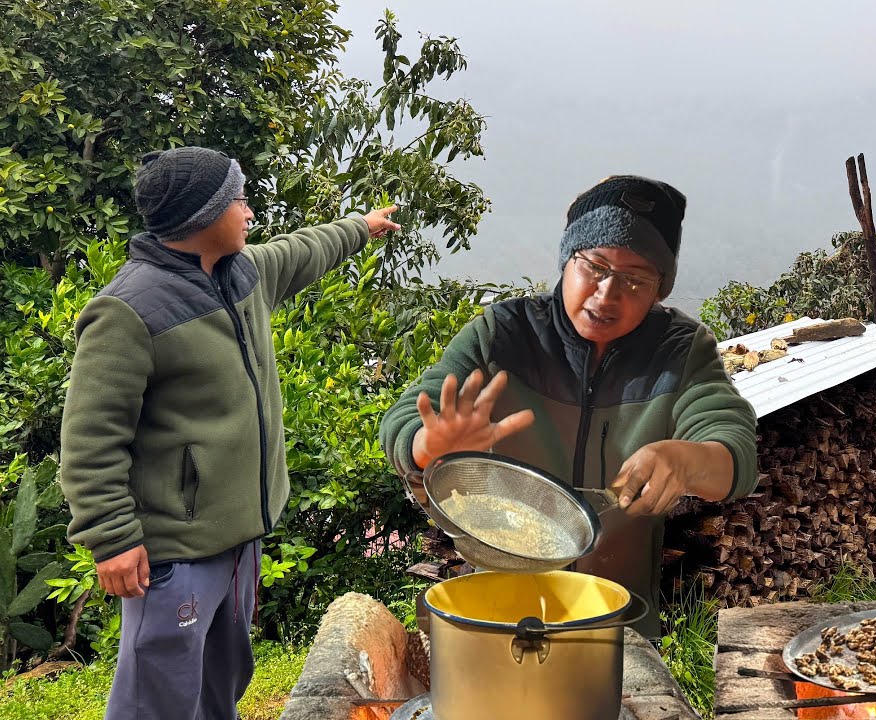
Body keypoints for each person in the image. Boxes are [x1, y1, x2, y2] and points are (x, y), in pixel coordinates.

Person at [60, 145, 401, 720]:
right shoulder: (127, 311)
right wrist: (112, 537)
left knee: (223, 683)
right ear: (200, 217)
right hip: (176, 554)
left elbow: (303, 250)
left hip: (239, 537)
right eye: (238, 199)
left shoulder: (238, 274)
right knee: (158, 699)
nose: (249, 211)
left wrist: (360, 228)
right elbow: (91, 438)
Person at [379, 175, 759, 639]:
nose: (606, 295)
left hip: (616, 624)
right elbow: (401, 423)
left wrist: (688, 460)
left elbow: (733, 448)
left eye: (634, 280)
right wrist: (428, 442)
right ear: (566, 260)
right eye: (594, 267)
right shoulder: (504, 334)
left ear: (661, 287)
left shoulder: (679, 351)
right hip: (497, 611)